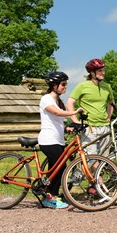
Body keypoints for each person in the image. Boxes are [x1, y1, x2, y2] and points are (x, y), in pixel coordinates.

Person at [38, 71, 84, 209]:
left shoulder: (59, 101)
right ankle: (51, 197)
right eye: (63, 84)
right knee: (61, 167)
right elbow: (56, 113)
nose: (65, 87)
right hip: (48, 140)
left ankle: (47, 192)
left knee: (55, 169)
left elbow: (56, 121)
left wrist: (67, 129)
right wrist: (74, 112)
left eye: (66, 84)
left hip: (58, 140)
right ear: (54, 85)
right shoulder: (46, 98)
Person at [67, 58, 115, 156]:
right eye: (100, 71)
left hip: (105, 127)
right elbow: (69, 103)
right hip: (89, 127)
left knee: (104, 159)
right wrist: (75, 121)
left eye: (103, 70)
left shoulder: (107, 86)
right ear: (92, 72)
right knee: (91, 159)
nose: (103, 73)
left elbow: (111, 103)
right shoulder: (82, 86)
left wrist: (109, 117)